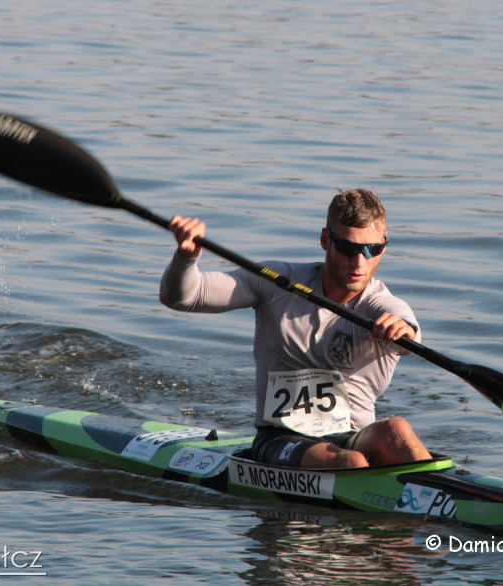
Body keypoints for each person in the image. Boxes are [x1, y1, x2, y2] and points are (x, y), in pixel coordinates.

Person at [159, 188, 431, 469]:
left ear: (383, 246)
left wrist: (403, 333)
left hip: (354, 436)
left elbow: (408, 329)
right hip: (280, 437)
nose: (359, 262)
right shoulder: (275, 282)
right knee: (352, 463)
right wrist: (186, 257)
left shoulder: (380, 304)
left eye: (372, 250)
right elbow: (185, 297)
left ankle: (440, 490)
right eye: (349, 248)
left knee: (396, 428)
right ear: (326, 240)